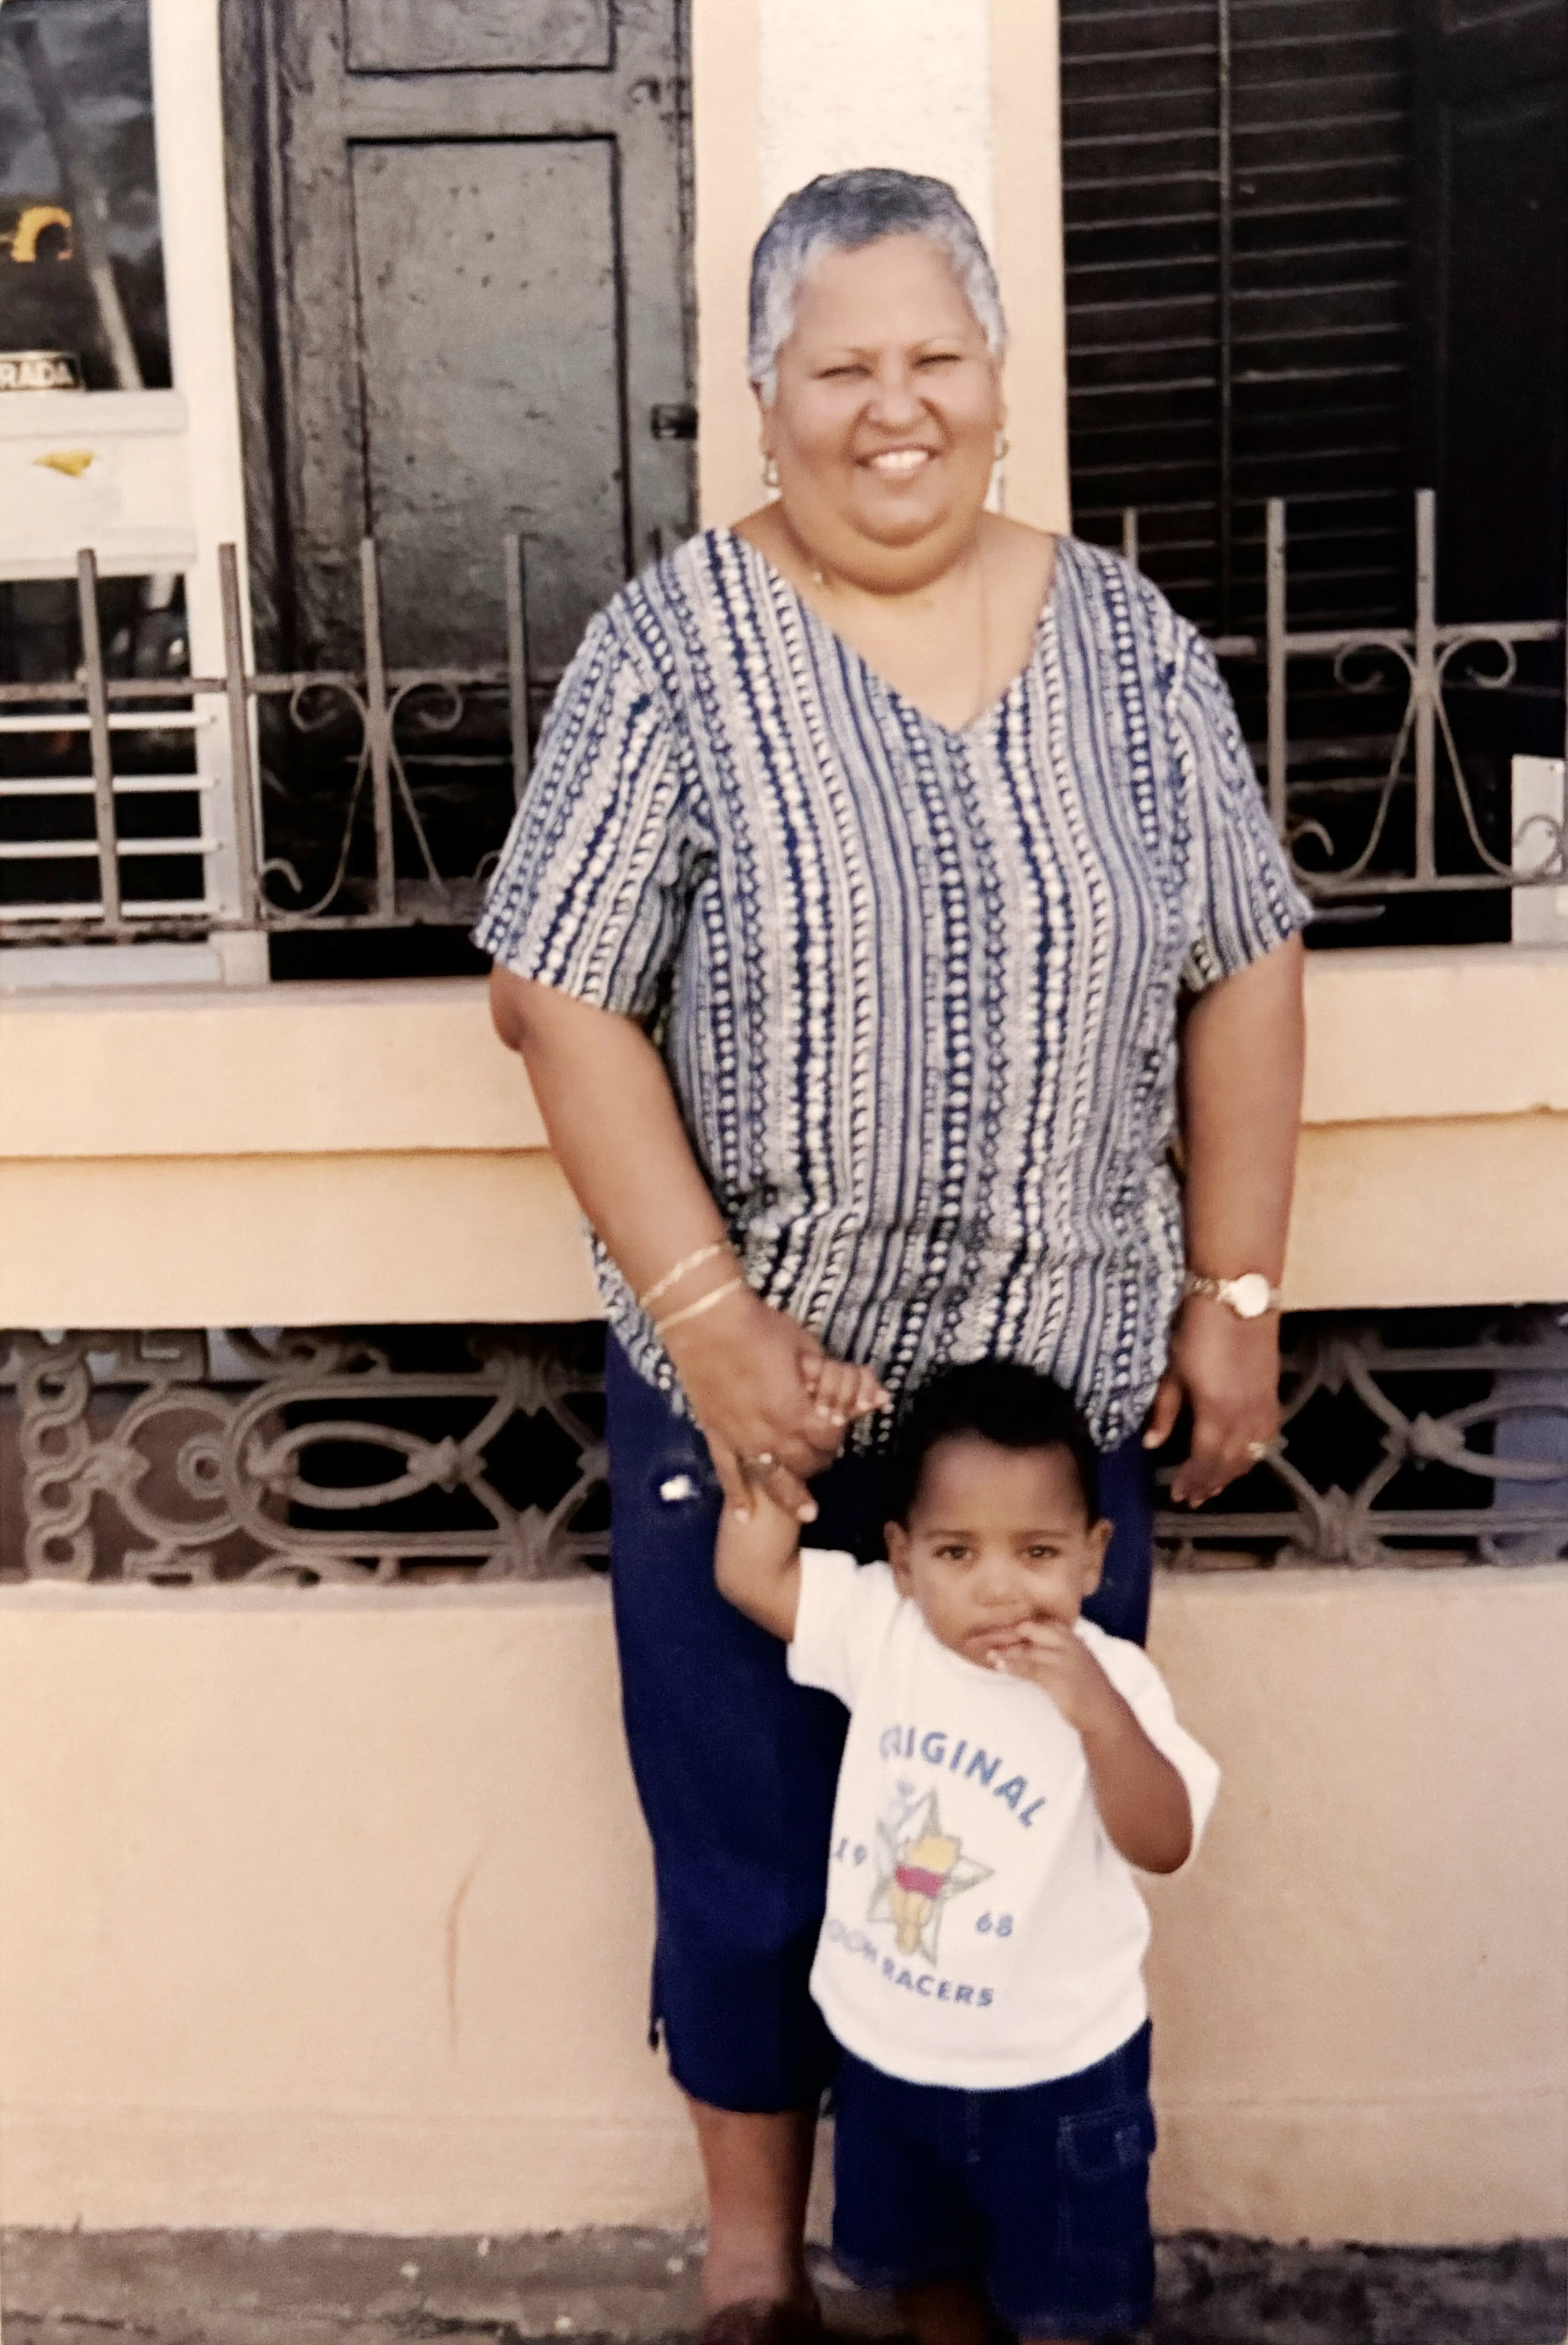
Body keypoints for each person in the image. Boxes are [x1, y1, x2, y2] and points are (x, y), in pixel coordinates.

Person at [478, 166, 1307, 2340]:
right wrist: (706, 1320)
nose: (893, 407)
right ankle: (757, 2265)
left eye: (933, 356)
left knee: (1009, 1850)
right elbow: (557, 994)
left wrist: (1234, 1292)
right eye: (840, 366)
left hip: (1033, 1441)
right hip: (757, 1407)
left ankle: (973, 2263)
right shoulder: (670, 647)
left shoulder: (1127, 643)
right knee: (748, 1854)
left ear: (999, 381)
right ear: (763, 404)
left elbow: (1241, 960)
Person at [714, 1360, 1220, 2345]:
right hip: (887, 2061)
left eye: (1035, 1551)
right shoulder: (883, 1633)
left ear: (1090, 1557)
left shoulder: (1115, 1683)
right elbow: (748, 1573)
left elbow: (1163, 1842)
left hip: (1060, 2081)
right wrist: (789, 1441)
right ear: (902, 1560)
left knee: (1069, 2315)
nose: (996, 1588)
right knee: (923, 2285)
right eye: (956, 1553)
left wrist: (1101, 1722)